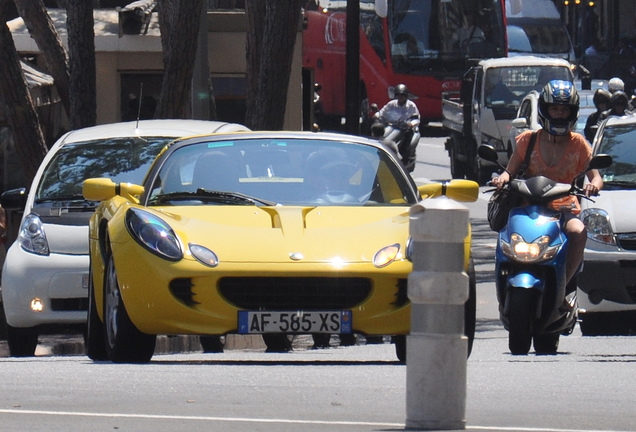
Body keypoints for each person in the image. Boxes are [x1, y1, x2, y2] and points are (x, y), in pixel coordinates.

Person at [491, 80, 603, 287]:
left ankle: (563, 285)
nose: (559, 114)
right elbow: (509, 171)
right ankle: (504, 281)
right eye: (555, 108)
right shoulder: (527, 140)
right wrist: (501, 180)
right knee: (506, 233)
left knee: (578, 232)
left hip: (564, 209)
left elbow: (596, 177)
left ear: (572, 112)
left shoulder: (578, 143)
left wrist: (593, 185)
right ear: (545, 109)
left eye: (564, 109)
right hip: (527, 207)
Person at [375, 84, 420, 171]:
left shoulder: (411, 106)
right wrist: (376, 115)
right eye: (398, 95)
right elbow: (382, 113)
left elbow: (416, 119)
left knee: (408, 136)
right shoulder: (391, 104)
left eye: (402, 95)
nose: (400, 97)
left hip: (405, 129)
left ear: (406, 96)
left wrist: (410, 124)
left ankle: (405, 158)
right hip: (392, 126)